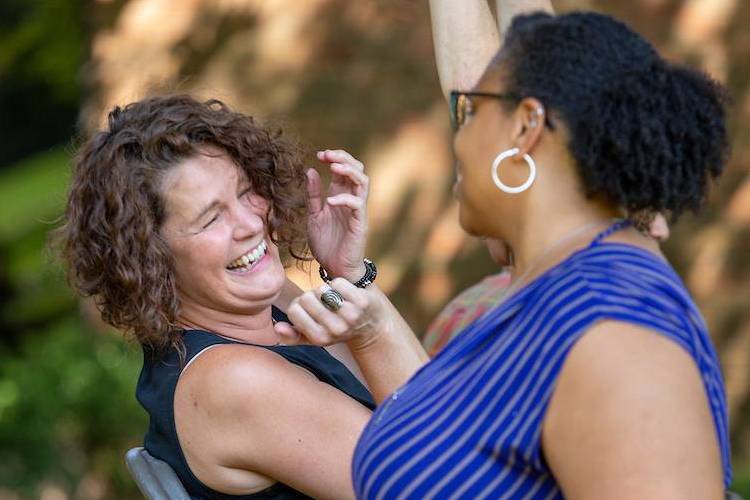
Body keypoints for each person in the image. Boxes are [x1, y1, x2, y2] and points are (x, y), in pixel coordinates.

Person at [276, 5, 733, 498]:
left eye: (469, 112)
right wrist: (362, 307)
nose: (459, 137)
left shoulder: (615, 330)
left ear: (525, 129)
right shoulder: (549, 293)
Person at [57, 94, 416, 499]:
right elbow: (446, 480)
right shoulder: (234, 381)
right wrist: (372, 330)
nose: (250, 223)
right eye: (211, 218)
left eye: (246, 192)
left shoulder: (265, 303)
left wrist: (349, 277)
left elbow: (413, 400)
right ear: (151, 259)